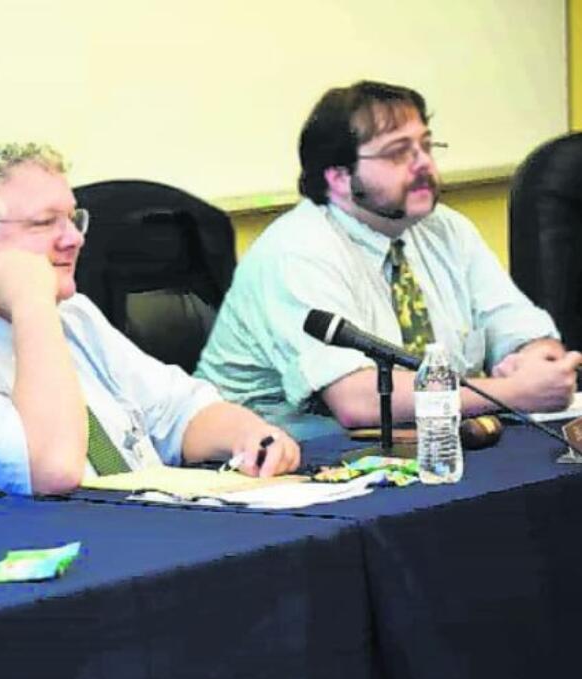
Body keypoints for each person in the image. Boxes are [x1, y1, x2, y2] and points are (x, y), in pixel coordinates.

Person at [0, 143, 300, 519]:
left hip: (135, 531)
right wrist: (30, 306)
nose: (75, 239)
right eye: (45, 224)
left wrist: (250, 435)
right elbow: (52, 471)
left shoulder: (71, 312)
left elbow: (178, 412)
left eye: (73, 219)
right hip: (12, 581)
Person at [196, 80, 582, 430]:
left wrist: (538, 361)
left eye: (426, 146)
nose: (424, 165)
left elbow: (522, 328)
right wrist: (513, 391)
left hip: (411, 449)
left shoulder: (445, 228)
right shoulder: (297, 251)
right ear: (338, 177)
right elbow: (358, 400)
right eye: (399, 153)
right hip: (276, 470)